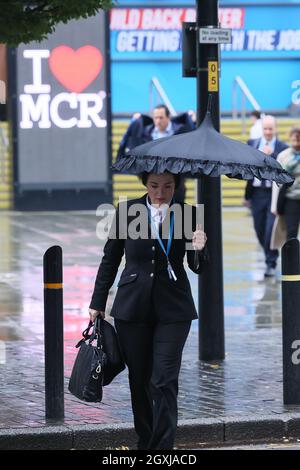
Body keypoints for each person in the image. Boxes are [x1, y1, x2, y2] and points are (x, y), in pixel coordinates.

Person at [88, 172, 209, 450]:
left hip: (174, 309)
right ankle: (146, 442)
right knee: (140, 380)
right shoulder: (127, 211)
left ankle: (162, 448)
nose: (160, 192)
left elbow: (198, 267)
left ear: (176, 186)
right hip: (132, 308)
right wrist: (97, 301)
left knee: (163, 379)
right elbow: (110, 259)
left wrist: (198, 248)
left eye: (168, 186)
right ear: (145, 184)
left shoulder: (188, 214)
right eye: (154, 185)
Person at [116, 105, 195, 202]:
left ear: (168, 117)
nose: (158, 121)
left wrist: (193, 121)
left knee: (177, 209)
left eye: (161, 117)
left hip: (175, 180)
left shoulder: (181, 131)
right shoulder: (146, 132)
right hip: (154, 179)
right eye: (156, 118)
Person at [244, 115, 288, 277]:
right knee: (259, 227)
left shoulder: (282, 147)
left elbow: (285, 166)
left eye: (271, 129)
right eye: (265, 129)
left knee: (270, 229)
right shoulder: (252, 144)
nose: (268, 132)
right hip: (257, 193)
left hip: (274, 192)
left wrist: (273, 155)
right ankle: (270, 255)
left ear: (275, 129)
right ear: (261, 129)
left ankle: (271, 262)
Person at [271, 126, 300, 248]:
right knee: (291, 232)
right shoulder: (284, 156)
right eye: (294, 140)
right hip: (290, 199)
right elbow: (277, 182)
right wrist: (274, 205)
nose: (296, 143)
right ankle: (292, 263)